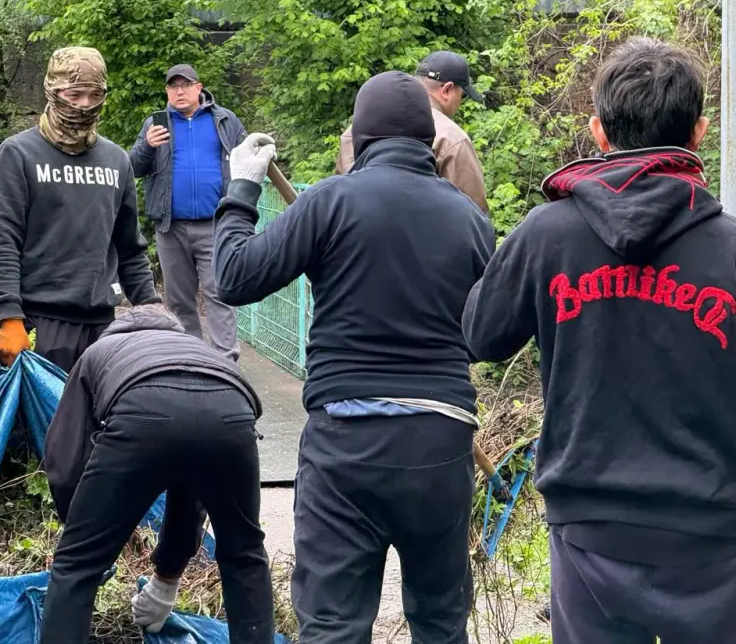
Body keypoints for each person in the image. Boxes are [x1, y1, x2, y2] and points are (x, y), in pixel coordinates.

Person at [462, 37, 736, 644]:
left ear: (598, 132)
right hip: (713, 536)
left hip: (591, 530)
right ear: (699, 132)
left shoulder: (547, 235)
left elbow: (480, 334)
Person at [214, 72, 494, 643]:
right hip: (439, 444)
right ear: (427, 140)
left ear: (360, 141)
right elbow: (486, 333)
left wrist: (242, 188)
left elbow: (234, 277)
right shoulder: (468, 217)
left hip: (346, 444)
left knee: (334, 626)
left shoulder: (329, 202)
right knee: (441, 624)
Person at [41, 304, 274, 643]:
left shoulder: (99, 351)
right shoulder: (200, 349)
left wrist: (81, 532)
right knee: (244, 555)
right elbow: (190, 487)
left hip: (141, 410)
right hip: (232, 417)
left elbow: (66, 456)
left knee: (76, 567)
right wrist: (168, 576)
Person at [0, 47, 160, 373]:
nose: (84, 104)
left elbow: (129, 247)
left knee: (102, 422)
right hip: (41, 323)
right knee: (47, 424)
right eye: (75, 94)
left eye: (94, 94)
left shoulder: (116, 160)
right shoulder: (19, 154)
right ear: (53, 91)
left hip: (104, 326)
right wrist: (9, 316)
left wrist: (152, 308)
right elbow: (3, 240)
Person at [130, 64, 248, 361]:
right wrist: (147, 145)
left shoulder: (224, 120)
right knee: (179, 301)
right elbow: (132, 166)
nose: (179, 91)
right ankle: (190, 360)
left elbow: (246, 161)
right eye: (173, 87)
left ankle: (225, 363)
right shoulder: (155, 124)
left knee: (220, 294)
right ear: (167, 92)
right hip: (171, 228)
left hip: (215, 224)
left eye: (185, 85)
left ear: (199, 88)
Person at [335, 51, 489, 214]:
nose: (459, 103)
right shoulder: (452, 139)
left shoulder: (353, 131)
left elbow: (341, 192)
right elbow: (473, 214)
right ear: (447, 90)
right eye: (462, 95)